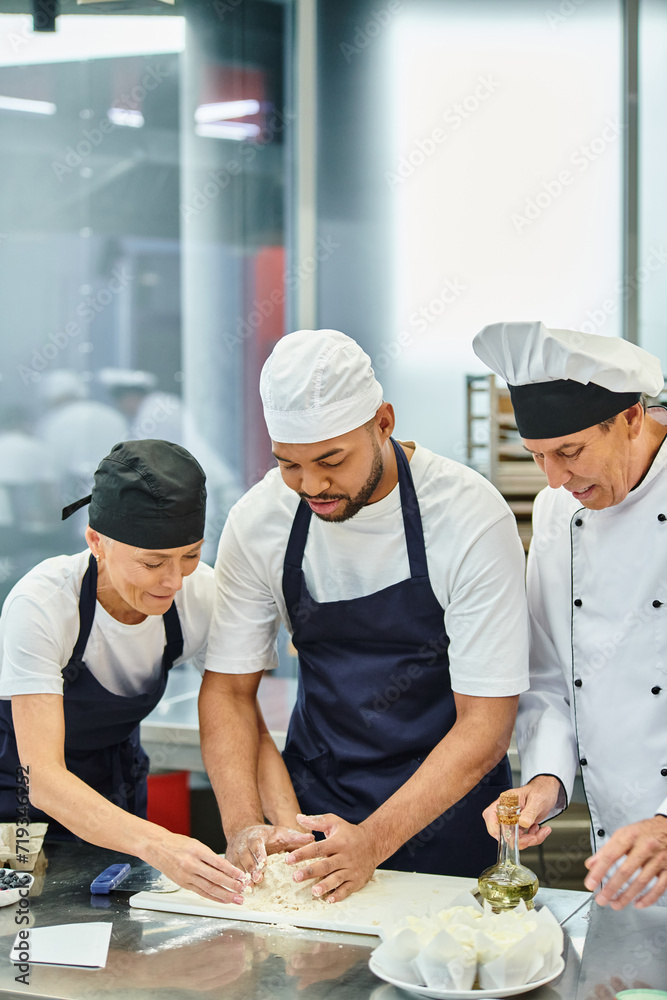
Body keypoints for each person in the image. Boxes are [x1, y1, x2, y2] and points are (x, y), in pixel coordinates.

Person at [199, 329, 530, 902]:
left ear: (383, 422)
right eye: (289, 465)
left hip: (447, 818)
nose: (312, 485)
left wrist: (372, 842)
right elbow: (228, 692)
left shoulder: (469, 517)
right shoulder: (260, 521)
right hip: (314, 809)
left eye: (331, 460)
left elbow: (486, 726)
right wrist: (244, 824)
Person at [0, 439, 309, 902]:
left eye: (189, 555)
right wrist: (162, 843)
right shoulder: (42, 606)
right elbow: (42, 778)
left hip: (114, 791)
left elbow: (243, 719)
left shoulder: (198, 596)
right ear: (96, 542)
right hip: (16, 804)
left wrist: (289, 837)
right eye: (152, 563)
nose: (173, 581)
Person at [474, 320, 667, 910]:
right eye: (537, 457)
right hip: (620, 854)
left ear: (631, 418)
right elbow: (555, 674)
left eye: (570, 452)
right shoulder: (561, 511)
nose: (554, 481)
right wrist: (546, 779)